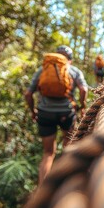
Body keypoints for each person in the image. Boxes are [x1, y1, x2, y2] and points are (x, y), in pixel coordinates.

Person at [24, 45, 88, 184]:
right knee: (68, 147)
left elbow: (28, 94)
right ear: (70, 60)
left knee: (48, 153)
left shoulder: (43, 70)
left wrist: (33, 111)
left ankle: (43, 188)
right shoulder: (74, 70)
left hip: (45, 113)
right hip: (67, 112)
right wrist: (82, 106)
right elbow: (83, 90)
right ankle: (66, 182)